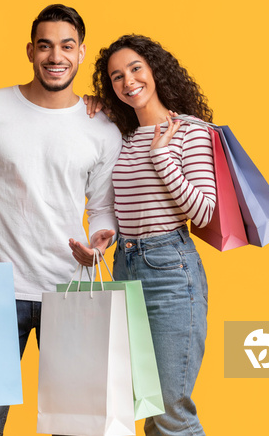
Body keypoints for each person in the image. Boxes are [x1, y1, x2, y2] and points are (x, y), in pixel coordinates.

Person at [0, 4, 122, 436]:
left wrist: (101, 242)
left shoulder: (103, 128)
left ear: (82, 52)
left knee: (76, 426)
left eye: (67, 46)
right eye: (46, 46)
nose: (57, 57)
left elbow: (102, 208)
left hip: (70, 293)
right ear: (30, 50)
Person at [73, 34, 216, 436]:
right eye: (116, 76)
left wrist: (162, 156)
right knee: (143, 406)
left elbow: (202, 210)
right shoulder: (122, 136)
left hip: (171, 270)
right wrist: (103, 239)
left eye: (136, 68)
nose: (128, 81)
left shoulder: (191, 131)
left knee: (170, 410)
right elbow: (119, 204)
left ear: (155, 69)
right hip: (125, 268)